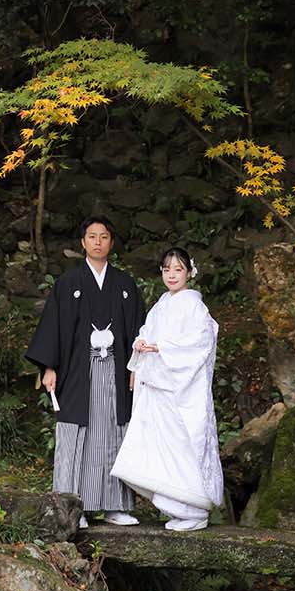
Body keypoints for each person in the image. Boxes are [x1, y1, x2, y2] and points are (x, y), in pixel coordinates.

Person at [25, 216, 144, 528]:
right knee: (77, 434)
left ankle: (116, 506)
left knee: (113, 434)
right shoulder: (68, 284)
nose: (97, 242)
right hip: (79, 370)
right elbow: (53, 327)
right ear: (82, 243)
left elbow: (137, 330)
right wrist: (49, 367)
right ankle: (70, 510)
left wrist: (137, 368)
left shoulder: (124, 285)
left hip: (116, 371)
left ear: (111, 243)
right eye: (92, 236)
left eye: (104, 236)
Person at [110, 246, 223, 532]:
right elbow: (148, 332)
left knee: (184, 444)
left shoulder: (194, 306)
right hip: (160, 384)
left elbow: (200, 344)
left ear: (189, 272)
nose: (172, 275)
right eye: (167, 269)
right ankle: (177, 507)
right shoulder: (162, 303)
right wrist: (141, 345)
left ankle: (194, 510)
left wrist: (161, 347)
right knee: (162, 446)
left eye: (178, 269)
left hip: (182, 388)